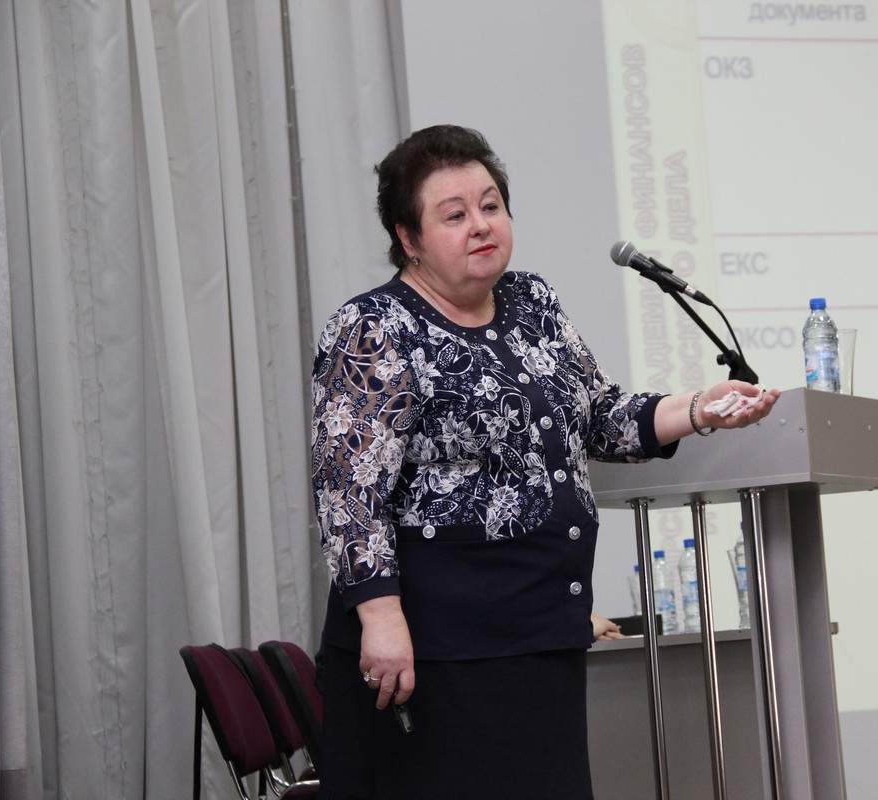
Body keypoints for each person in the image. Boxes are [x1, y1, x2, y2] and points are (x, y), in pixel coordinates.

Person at [310, 124, 778, 799]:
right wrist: (380, 621)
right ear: (408, 239)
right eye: (454, 215)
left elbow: (600, 416)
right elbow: (349, 493)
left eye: (491, 205)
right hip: (434, 651)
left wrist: (702, 407)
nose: (481, 224)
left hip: (537, 632)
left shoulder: (532, 304)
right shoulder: (376, 328)